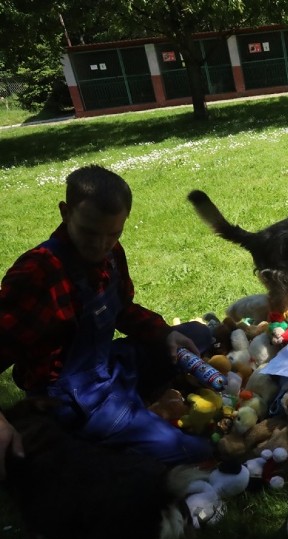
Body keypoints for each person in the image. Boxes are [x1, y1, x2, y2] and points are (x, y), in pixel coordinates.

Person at [0, 164, 215, 479]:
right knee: (197, 452)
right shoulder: (37, 274)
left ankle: (135, 407)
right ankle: (97, 436)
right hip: (72, 400)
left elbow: (122, 309)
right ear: (65, 212)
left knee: (198, 335)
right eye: (88, 232)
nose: (100, 245)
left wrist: (164, 334)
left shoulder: (111, 255)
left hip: (107, 369)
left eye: (113, 234)